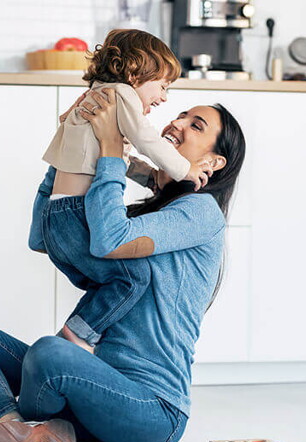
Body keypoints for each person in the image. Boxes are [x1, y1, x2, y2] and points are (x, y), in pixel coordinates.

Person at [0, 91, 246, 442]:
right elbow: (42, 236)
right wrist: (70, 145)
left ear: (212, 161)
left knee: (50, 352)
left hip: (153, 412)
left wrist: (112, 148)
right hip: (95, 386)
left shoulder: (199, 212)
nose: (176, 123)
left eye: (195, 125)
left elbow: (111, 238)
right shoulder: (141, 216)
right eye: (180, 115)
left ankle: (11, 423)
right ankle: (10, 424)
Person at [39, 29, 213, 350]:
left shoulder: (96, 95)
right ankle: (74, 338)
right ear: (134, 74)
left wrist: (151, 177)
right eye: (162, 85)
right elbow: (145, 140)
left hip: (54, 219)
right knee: (133, 279)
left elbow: (115, 153)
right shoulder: (122, 95)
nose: (163, 97)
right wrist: (183, 169)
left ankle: (73, 344)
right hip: (77, 216)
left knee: (106, 283)